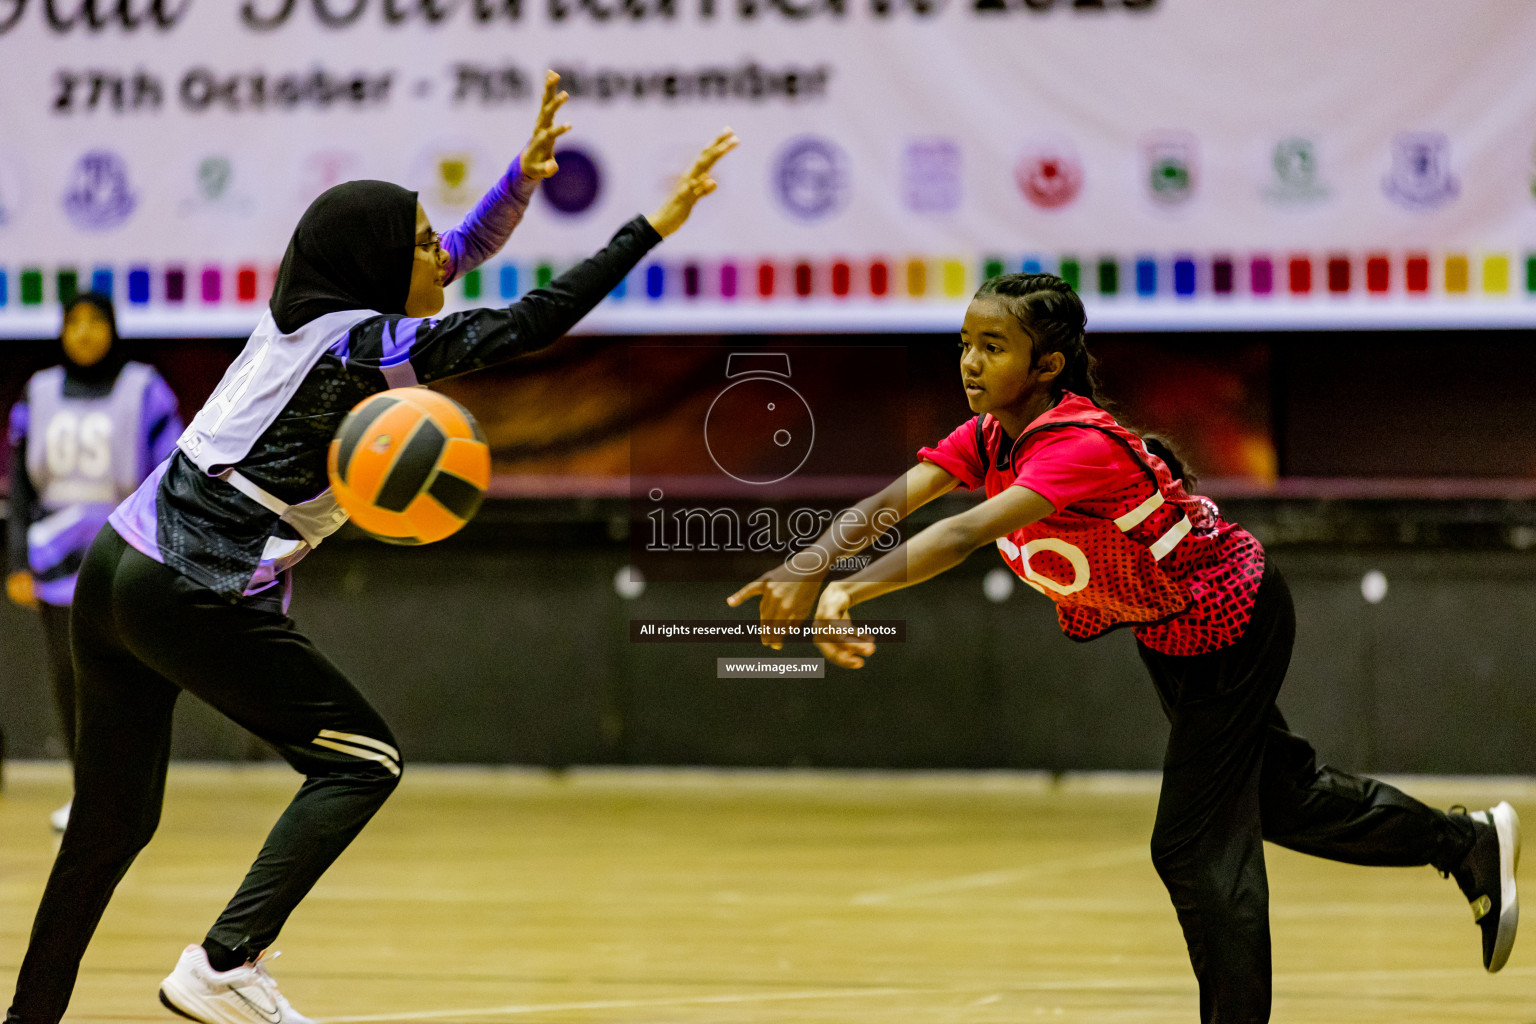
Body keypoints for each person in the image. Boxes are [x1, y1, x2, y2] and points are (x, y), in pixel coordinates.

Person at [3, 70, 736, 1024]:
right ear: (382, 264)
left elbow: (459, 253)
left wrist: (520, 179)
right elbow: (532, 320)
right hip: (189, 584)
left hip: (115, 571)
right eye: (423, 241)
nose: (444, 251)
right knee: (361, 761)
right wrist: (653, 227)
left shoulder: (299, 312)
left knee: (108, 825)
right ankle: (225, 963)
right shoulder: (365, 349)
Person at [728, 272, 1519, 1024]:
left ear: (1047, 364)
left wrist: (852, 589)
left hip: (1231, 616)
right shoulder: (989, 436)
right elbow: (898, 499)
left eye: (993, 346)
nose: (970, 361)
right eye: (964, 341)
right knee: (1281, 797)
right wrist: (807, 565)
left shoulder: (1078, 443)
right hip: (1171, 632)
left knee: (1191, 846)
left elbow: (966, 530)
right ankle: (1466, 841)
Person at [4, 293, 183, 829]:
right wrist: (17, 561)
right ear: (60, 331)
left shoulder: (145, 388)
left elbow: (169, 476)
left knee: (132, 678)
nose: (84, 332)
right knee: (69, 677)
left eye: (95, 321)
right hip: (55, 561)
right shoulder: (36, 394)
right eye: (73, 322)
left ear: (113, 328)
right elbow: (18, 488)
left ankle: (130, 792)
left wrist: (164, 554)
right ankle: (87, 793)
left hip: (124, 550)